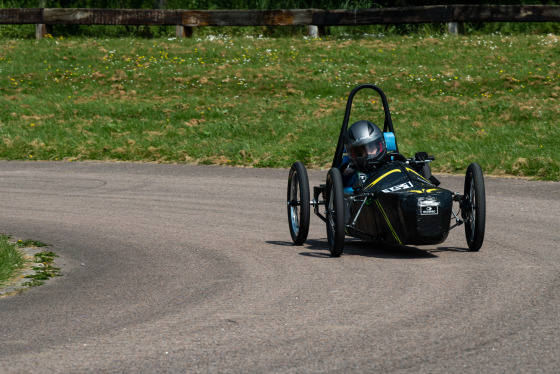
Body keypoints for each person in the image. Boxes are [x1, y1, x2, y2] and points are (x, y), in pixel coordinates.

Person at [339, 120, 386, 188]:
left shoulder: (390, 163)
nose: (368, 153)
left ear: (379, 146)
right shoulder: (353, 171)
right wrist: (346, 173)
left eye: (371, 146)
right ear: (353, 153)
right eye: (360, 150)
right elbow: (341, 182)